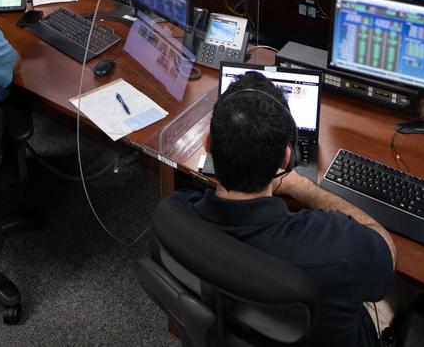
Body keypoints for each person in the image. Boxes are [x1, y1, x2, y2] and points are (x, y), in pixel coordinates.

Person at [157, 71, 396, 347]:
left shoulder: (172, 218)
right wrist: (303, 188)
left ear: (208, 145)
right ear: (286, 158)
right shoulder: (338, 247)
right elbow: (386, 257)